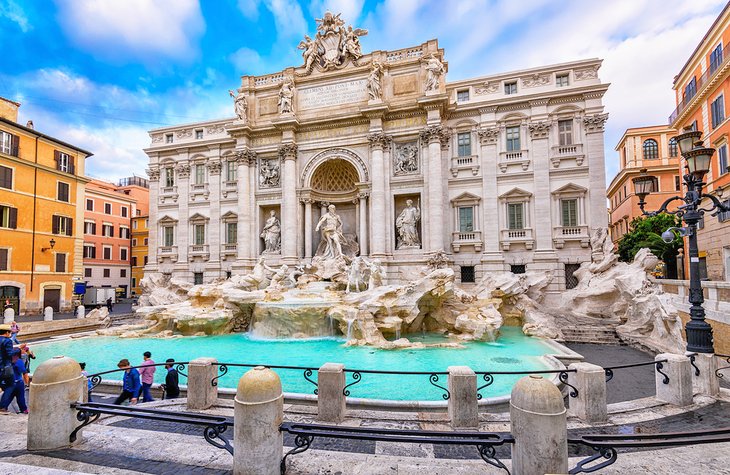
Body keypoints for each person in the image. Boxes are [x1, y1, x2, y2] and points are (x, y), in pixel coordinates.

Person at [0, 349, 28, 414]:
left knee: (8, 396)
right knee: (20, 397)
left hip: (8, 383)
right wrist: (26, 383)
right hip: (18, 383)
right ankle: (24, 410)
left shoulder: (6, 361)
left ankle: (3, 407)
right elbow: (24, 373)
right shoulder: (19, 361)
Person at [0, 325, 14, 392]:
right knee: (11, 386)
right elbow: (10, 354)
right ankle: (3, 402)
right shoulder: (8, 341)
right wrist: (19, 349)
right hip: (4, 367)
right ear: (7, 332)